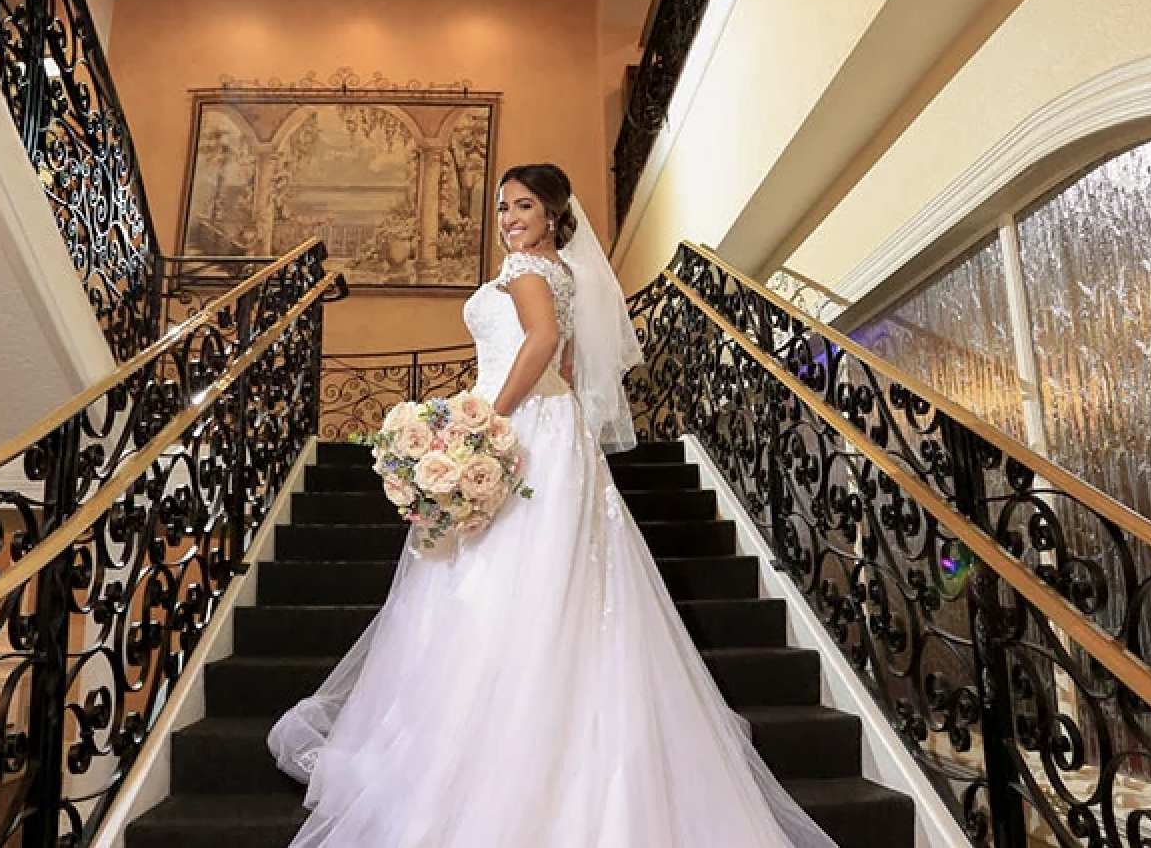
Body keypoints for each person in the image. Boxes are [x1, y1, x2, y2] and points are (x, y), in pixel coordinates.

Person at [267, 163, 837, 847]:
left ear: (553, 214)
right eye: (503, 207)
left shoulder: (527, 272)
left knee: (507, 582)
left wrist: (485, 421)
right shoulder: (557, 273)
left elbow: (540, 345)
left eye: (525, 206)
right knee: (544, 582)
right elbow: (562, 365)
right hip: (550, 427)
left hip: (523, 429)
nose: (510, 218)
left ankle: (499, 757)